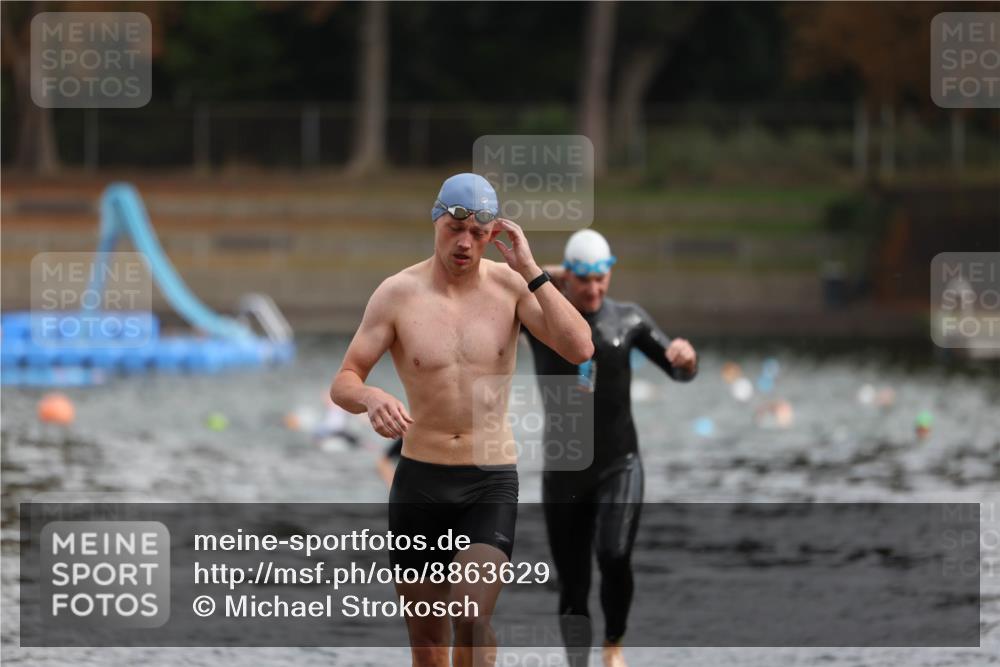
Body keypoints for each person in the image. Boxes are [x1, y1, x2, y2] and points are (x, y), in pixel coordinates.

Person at [330, 173, 593, 667]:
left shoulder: (512, 288)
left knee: (471, 615)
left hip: (488, 480)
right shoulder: (397, 294)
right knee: (428, 644)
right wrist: (370, 397)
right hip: (419, 482)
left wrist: (532, 268)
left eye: (477, 233)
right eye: (455, 228)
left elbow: (581, 347)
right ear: (436, 222)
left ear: (493, 236)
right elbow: (343, 379)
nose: (465, 242)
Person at [522, 229, 698, 667]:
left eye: (602, 278)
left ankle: (614, 644)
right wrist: (557, 277)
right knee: (573, 582)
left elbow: (681, 373)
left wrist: (686, 357)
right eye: (584, 280)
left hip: (620, 463)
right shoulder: (539, 316)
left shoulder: (629, 320)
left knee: (615, 554)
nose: (595, 289)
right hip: (565, 471)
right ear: (568, 278)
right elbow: (515, 278)